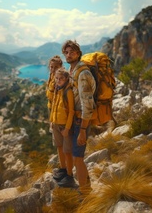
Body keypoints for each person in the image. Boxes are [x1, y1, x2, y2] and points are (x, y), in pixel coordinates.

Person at [61, 40, 95, 195]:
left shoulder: (82, 74)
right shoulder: (72, 70)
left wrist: (82, 129)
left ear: (78, 53)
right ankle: (87, 188)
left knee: (78, 159)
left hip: (81, 121)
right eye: (66, 52)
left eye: (72, 52)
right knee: (76, 158)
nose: (68, 55)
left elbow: (87, 104)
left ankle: (86, 195)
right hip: (75, 120)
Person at [49, 67, 75, 187]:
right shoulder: (57, 90)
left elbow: (71, 111)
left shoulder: (68, 92)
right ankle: (63, 169)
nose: (58, 80)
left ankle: (70, 176)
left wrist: (67, 128)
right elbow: (54, 106)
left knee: (67, 151)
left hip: (64, 126)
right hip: (55, 124)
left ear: (66, 79)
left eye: (61, 78)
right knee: (59, 148)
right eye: (57, 78)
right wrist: (51, 121)